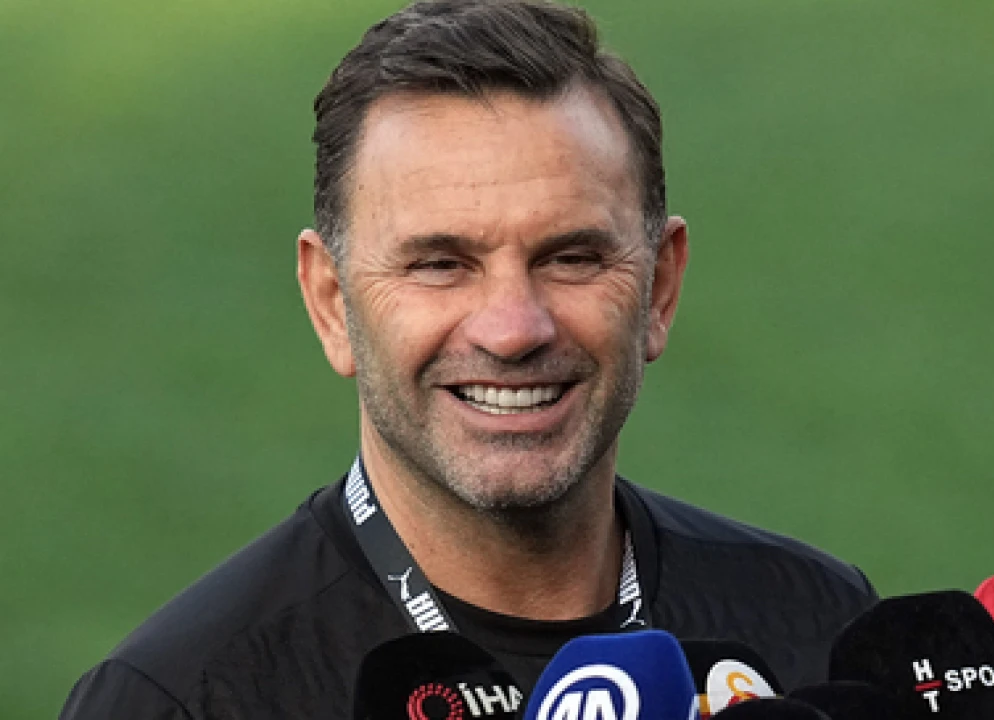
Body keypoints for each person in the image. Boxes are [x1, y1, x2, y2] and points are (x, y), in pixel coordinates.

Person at [60, 1, 877, 718]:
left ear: (659, 288)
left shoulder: (822, 630)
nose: (513, 329)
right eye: (440, 264)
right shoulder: (184, 700)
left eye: (572, 258)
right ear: (332, 303)